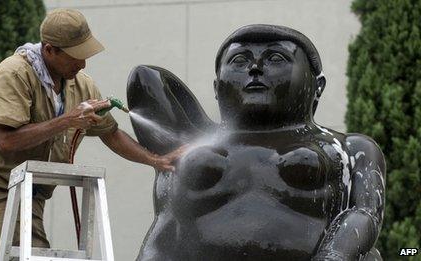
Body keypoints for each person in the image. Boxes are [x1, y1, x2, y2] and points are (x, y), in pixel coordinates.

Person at [126, 24, 385, 260]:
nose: (255, 68)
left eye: (275, 58)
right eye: (239, 60)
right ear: (216, 88)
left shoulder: (351, 149)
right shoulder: (189, 142)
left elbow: (365, 213)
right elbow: (145, 79)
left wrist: (335, 254)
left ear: (317, 86)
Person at [0, 8, 183, 261]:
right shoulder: (13, 74)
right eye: (75, 56)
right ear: (49, 49)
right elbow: (6, 142)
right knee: (7, 256)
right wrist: (68, 119)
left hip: (32, 194)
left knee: (37, 257)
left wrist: (156, 160)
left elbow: (110, 133)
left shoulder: (82, 84)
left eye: (85, 54)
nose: (83, 63)